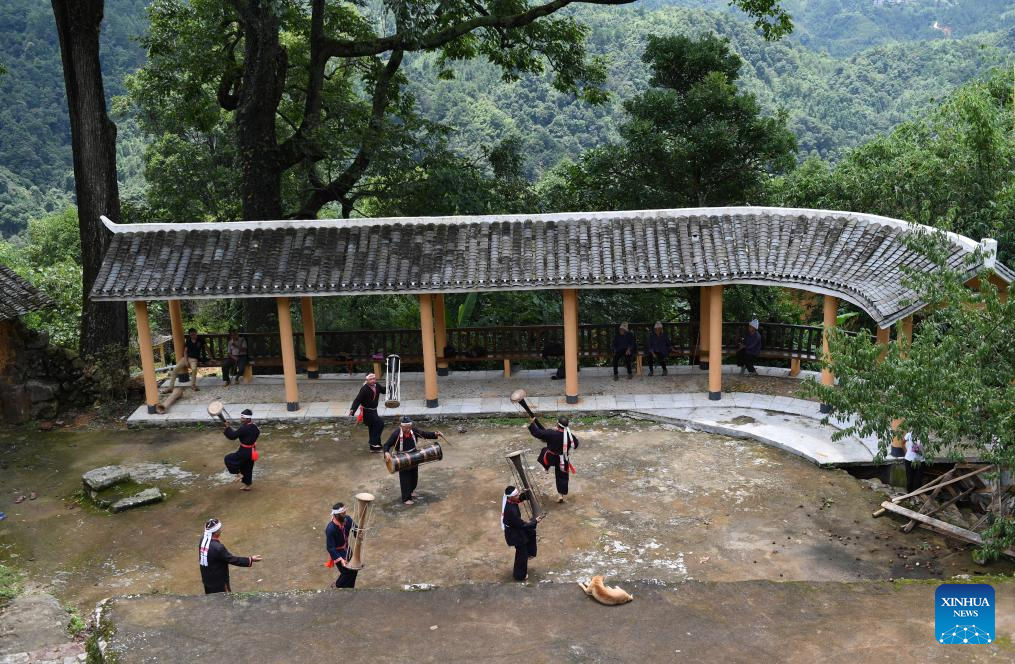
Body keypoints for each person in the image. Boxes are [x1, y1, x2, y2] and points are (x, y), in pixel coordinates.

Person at [383, 416, 441, 506]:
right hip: (402, 458)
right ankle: (406, 498)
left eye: (409, 427)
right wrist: (386, 452)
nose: (408, 429)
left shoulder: (413, 430)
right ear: (402, 427)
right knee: (405, 478)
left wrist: (434, 434)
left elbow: (424, 434)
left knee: (414, 476)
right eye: (406, 428)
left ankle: (411, 491)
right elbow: (387, 444)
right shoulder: (396, 433)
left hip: (414, 456)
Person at [198, 518, 262, 594]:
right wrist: (250, 559)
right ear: (216, 533)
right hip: (219, 582)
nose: (221, 531)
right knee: (225, 601)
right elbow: (231, 559)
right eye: (220, 529)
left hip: (207, 579)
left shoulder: (202, 539)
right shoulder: (218, 548)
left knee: (210, 598)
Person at [527, 415, 579, 503]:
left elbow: (538, 433)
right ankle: (560, 495)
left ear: (557, 424)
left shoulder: (551, 433)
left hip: (551, 458)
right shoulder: (570, 436)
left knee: (544, 451)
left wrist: (532, 423)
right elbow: (576, 444)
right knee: (562, 477)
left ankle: (545, 467)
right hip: (563, 459)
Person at [502, 485, 543, 581]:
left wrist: (527, 494)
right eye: (516, 495)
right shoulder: (511, 511)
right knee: (521, 553)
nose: (518, 496)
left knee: (531, 532)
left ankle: (530, 553)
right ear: (510, 497)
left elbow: (519, 499)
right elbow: (522, 525)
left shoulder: (511, 501)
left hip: (516, 528)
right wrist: (535, 521)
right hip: (514, 533)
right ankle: (519, 575)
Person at [223, 408, 260, 490]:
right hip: (252, 451)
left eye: (242, 418)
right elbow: (256, 433)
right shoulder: (254, 426)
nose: (241, 419)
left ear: (247, 419)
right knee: (247, 467)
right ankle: (247, 486)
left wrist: (227, 428)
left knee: (228, 458)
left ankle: (238, 474)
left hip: (244, 451)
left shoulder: (243, 428)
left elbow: (232, 436)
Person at [348, 373, 386, 452]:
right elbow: (357, 400)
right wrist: (352, 410)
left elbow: (383, 390)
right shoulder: (364, 389)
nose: (373, 381)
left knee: (373, 428)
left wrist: (391, 386)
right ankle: (373, 442)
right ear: (367, 380)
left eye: (374, 379)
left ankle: (375, 448)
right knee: (380, 424)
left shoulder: (377, 385)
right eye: (370, 379)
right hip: (367, 412)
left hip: (374, 410)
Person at [325, 502, 358, 588]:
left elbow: (355, 529)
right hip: (338, 553)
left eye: (345, 513)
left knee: (354, 569)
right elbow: (330, 548)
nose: (345, 515)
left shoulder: (347, 519)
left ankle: (350, 588)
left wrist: (359, 534)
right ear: (336, 515)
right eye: (342, 514)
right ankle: (336, 586)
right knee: (347, 572)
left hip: (347, 550)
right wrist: (341, 560)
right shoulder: (330, 529)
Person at [165, 327, 207, 392]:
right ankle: (170, 388)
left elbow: (207, 348)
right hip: (185, 358)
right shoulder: (188, 340)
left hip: (194, 359)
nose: (193, 335)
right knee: (175, 370)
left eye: (194, 334)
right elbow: (185, 352)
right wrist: (186, 361)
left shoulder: (201, 340)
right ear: (190, 335)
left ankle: (193, 385)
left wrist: (212, 358)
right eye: (191, 334)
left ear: (196, 333)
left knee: (194, 369)